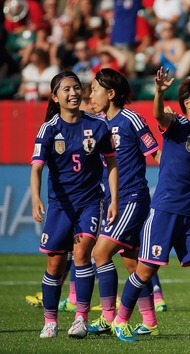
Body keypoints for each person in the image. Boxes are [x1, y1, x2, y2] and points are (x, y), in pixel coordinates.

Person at [110, 67, 190, 342]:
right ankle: (120, 320)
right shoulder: (176, 127)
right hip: (165, 211)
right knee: (145, 270)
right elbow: (158, 116)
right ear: (188, 103)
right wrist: (159, 92)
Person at [31, 71, 119, 338]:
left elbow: (112, 163)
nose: (73, 93)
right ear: (55, 96)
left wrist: (113, 199)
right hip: (60, 206)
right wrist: (36, 198)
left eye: (76, 88)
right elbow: (36, 168)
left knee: (82, 256)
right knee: (55, 264)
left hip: (90, 203)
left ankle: (80, 318)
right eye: (66, 89)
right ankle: (50, 321)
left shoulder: (97, 126)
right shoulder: (49, 128)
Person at [86, 68, 161, 336]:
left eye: (95, 89)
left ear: (111, 93)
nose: (90, 94)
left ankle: (108, 317)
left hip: (132, 198)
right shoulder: (96, 123)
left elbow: (156, 154)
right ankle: (150, 322)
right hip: (113, 200)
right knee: (132, 263)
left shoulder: (132, 119)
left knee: (100, 253)